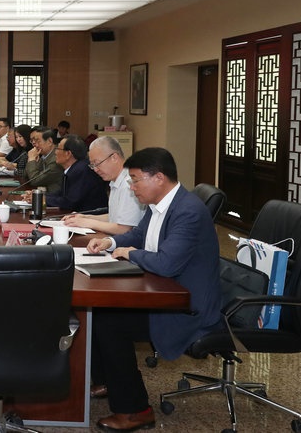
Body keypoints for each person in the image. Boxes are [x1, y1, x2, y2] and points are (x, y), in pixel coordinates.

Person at [85, 148, 222, 431]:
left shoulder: (188, 211)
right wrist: (110, 243)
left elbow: (167, 263)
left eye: (135, 180)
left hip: (185, 305)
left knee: (111, 322)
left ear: (158, 178)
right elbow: (139, 234)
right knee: (100, 311)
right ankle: (109, 381)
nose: (132, 187)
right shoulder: (160, 204)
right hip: (163, 290)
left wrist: (129, 253)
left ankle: (136, 410)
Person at [63, 136, 145, 235]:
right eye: (92, 165)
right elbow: (114, 217)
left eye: (97, 163)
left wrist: (87, 223)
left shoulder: (128, 184)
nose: (95, 169)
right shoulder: (115, 181)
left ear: (114, 157)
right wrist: (85, 217)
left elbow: (124, 228)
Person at [44, 135, 107, 212]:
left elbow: (69, 202)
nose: (55, 152)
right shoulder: (76, 168)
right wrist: (39, 196)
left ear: (68, 154)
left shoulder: (82, 171)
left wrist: (42, 199)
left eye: (58, 149)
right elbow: (62, 194)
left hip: (90, 216)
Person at [23, 127, 63, 194]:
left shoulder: (57, 159)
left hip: (54, 197)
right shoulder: (43, 156)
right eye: (32, 140)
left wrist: (31, 160)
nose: (33, 143)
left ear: (49, 141)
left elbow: (35, 180)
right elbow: (26, 177)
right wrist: (31, 160)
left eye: (37, 140)